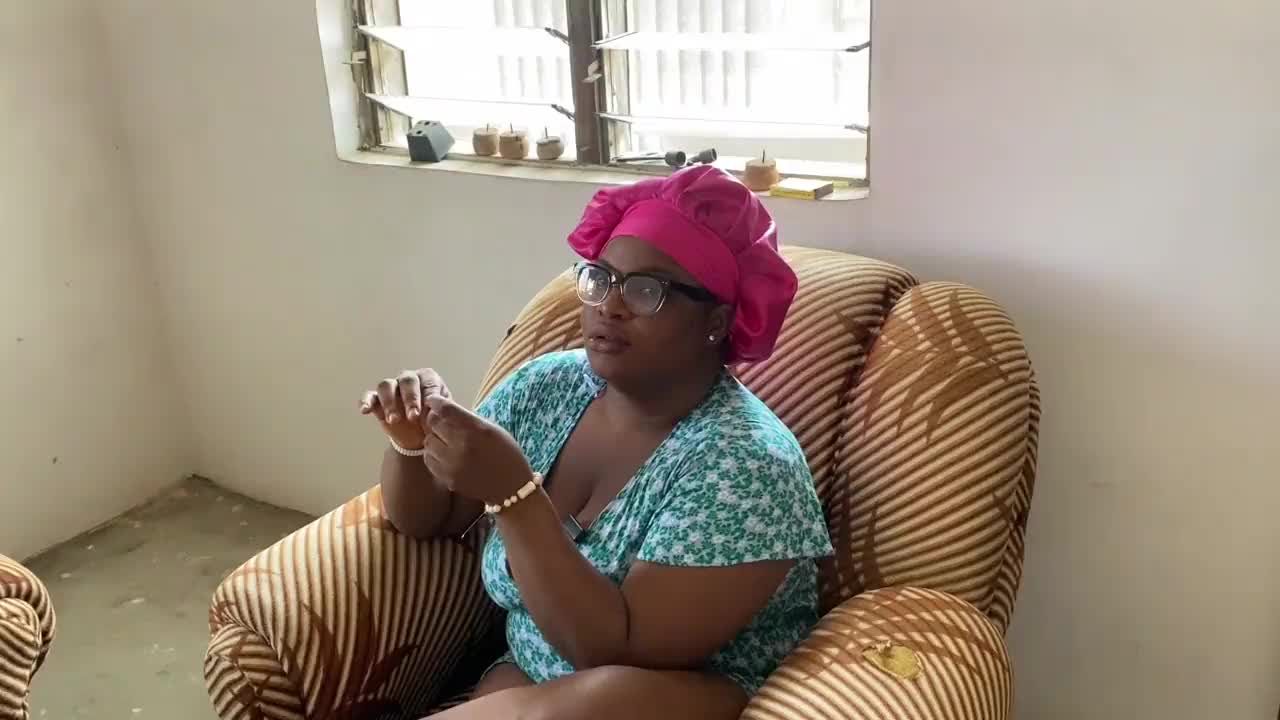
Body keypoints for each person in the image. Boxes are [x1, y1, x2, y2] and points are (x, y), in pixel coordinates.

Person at [360, 166, 833, 720]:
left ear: (717, 320)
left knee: (598, 696)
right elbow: (428, 520)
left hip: (674, 693)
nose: (610, 305)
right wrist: (412, 443)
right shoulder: (547, 387)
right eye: (600, 278)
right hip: (534, 676)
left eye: (646, 290)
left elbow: (615, 652)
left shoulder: (746, 464)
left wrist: (515, 496)